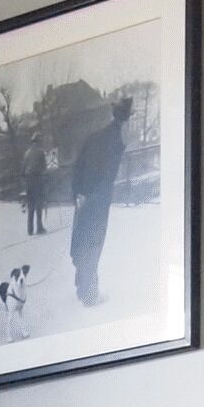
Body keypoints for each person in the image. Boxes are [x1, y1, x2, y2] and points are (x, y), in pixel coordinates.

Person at [69, 93, 132, 307]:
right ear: (125, 121)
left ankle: (81, 289)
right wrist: (92, 197)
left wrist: (78, 194)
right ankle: (89, 295)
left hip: (83, 198)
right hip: (97, 200)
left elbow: (77, 166)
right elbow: (107, 176)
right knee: (93, 245)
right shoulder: (116, 141)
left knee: (82, 241)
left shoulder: (95, 136)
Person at [21, 135, 48, 237]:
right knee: (39, 204)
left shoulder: (26, 153)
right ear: (38, 141)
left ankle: (30, 229)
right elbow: (44, 167)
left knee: (31, 204)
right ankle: (39, 227)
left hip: (29, 181)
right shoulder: (40, 152)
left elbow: (22, 170)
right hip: (37, 180)